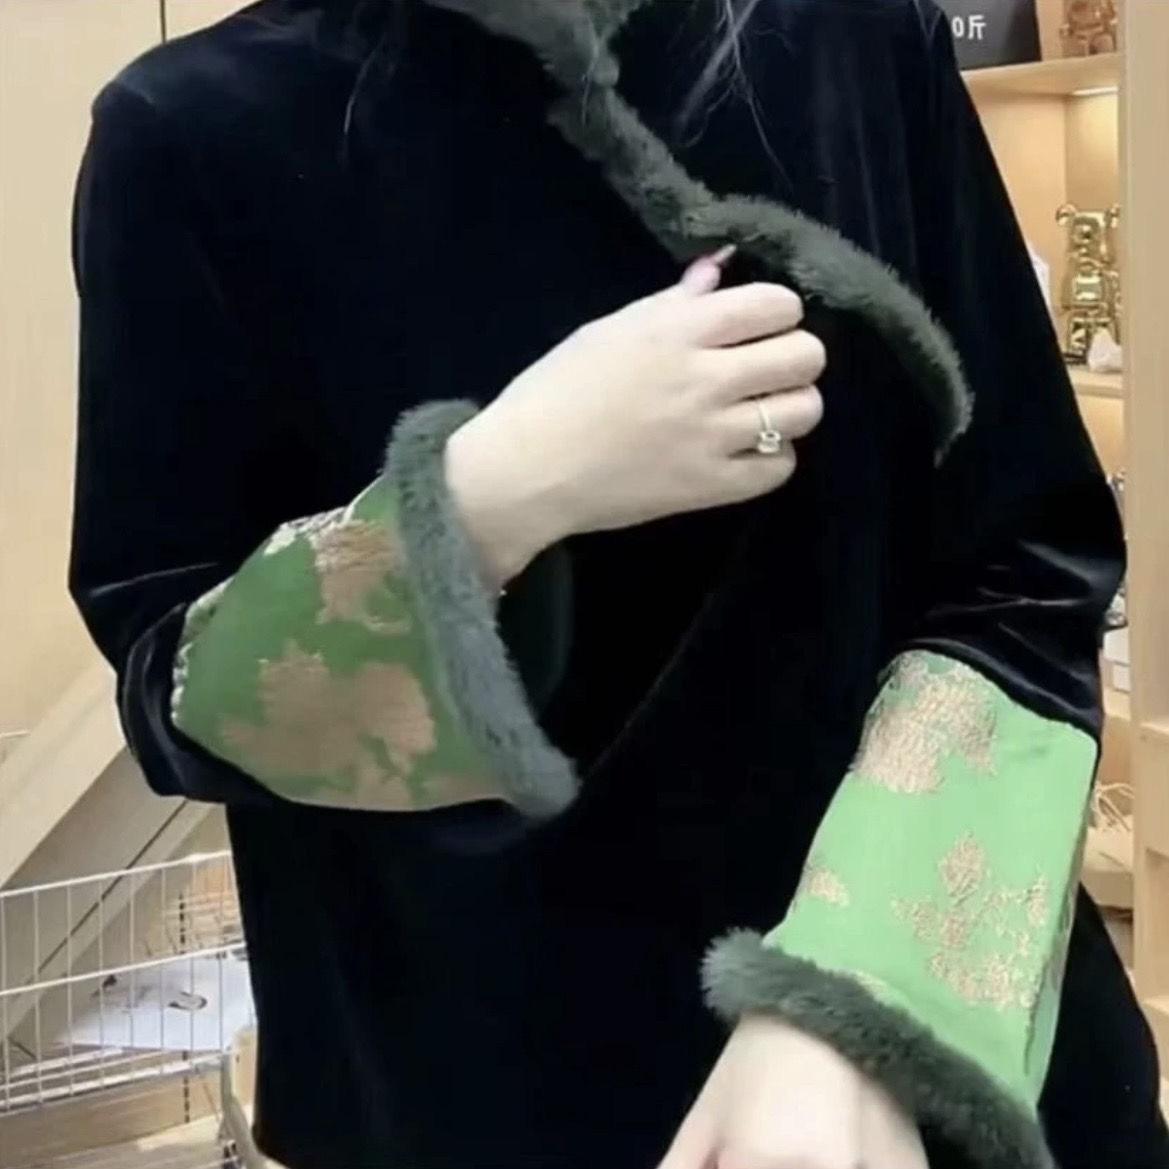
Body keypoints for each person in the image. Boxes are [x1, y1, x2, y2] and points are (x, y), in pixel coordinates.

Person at [69, 1, 1166, 1167]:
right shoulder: (191, 129)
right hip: (469, 1069)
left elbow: (1024, 562)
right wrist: (487, 495)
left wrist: (863, 996)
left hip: (917, 1072)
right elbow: (172, 682)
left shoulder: (850, 40)